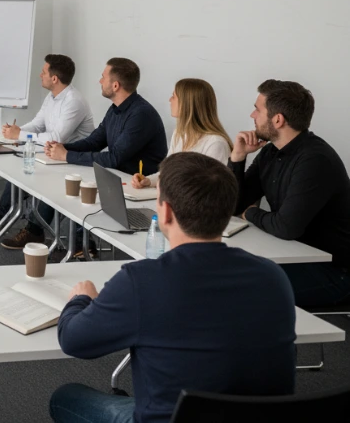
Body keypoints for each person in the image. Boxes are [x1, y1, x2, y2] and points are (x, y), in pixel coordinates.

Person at [50, 153, 296, 423]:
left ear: (165, 212)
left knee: (65, 397)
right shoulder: (273, 277)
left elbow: (72, 340)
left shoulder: (141, 282)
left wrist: (80, 299)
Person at [231, 80, 350, 308]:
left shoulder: (315, 159)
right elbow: (233, 205)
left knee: (241, 290)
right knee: (227, 274)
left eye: (257, 109)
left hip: (333, 272)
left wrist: (251, 213)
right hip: (294, 256)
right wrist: (237, 158)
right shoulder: (270, 152)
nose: (252, 115)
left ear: (278, 119)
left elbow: (286, 227)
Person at [0, 55, 95, 250]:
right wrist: (15, 132)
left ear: (54, 78)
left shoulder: (74, 101)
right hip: (53, 156)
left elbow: (57, 137)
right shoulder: (51, 97)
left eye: (43, 72)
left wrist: (20, 135)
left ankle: (34, 231)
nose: (40, 75)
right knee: (20, 171)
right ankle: (0, 217)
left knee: (44, 183)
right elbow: (37, 124)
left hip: (74, 161)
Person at [45, 57, 167, 176]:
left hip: (139, 184)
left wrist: (66, 155)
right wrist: (61, 148)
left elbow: (114, 158)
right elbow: (94, 143)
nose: (100, 81)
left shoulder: (141, 114)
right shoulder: (114, 109)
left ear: (115, 86)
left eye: (103, 77)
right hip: (119, 178)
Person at [131, 78, 232, 188]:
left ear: (187, 104)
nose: (170, 100)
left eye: (173, 96)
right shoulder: (179, 134)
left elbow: (213, 189)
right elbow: (168, 173)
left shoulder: (216, 143)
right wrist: (148, 181)